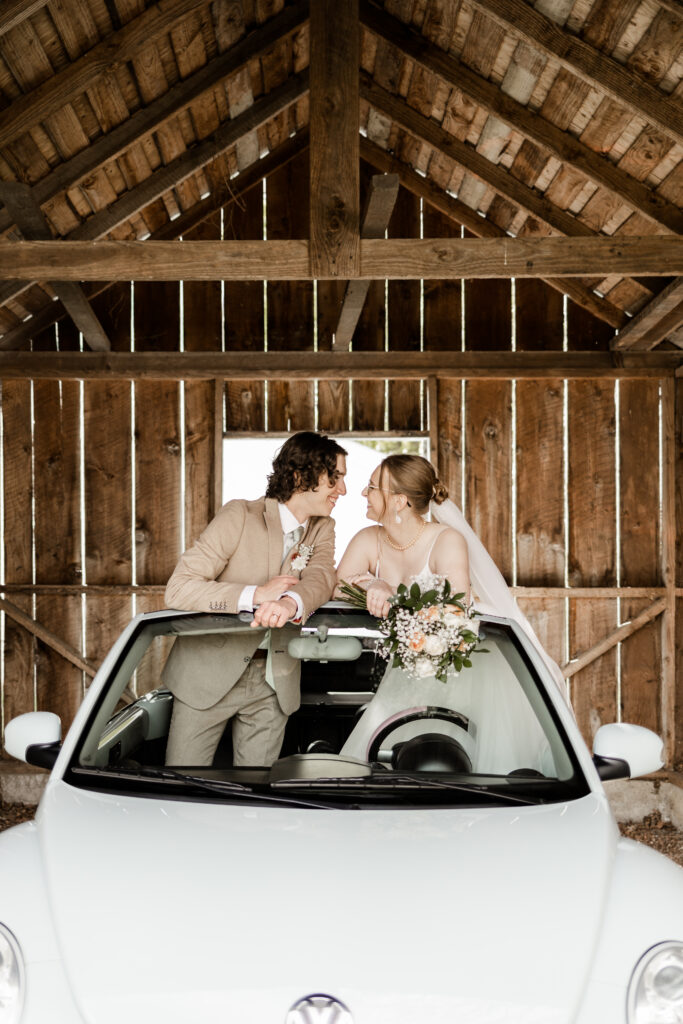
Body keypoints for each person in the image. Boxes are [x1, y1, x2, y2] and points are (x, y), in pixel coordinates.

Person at [335, 454, 567, 772]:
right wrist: (373, 585)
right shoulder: (368, 539)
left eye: (373, 487)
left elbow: (455, 607)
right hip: (407, 670)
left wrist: (392, 595)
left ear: (400, 501)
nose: (364, 493)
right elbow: (337, 587)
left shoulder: (446, 540)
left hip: (463, 669)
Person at [163, 431, 347, 767]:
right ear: (299, 476)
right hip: (206, 677)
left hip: (275, 682)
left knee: (258, 793)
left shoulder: (324, 528)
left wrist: (290, 603)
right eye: (334, 479)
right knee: (182, 784)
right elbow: (179, 588)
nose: (342, 490)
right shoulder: (239, 516)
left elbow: (321, 577)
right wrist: (257, 595)